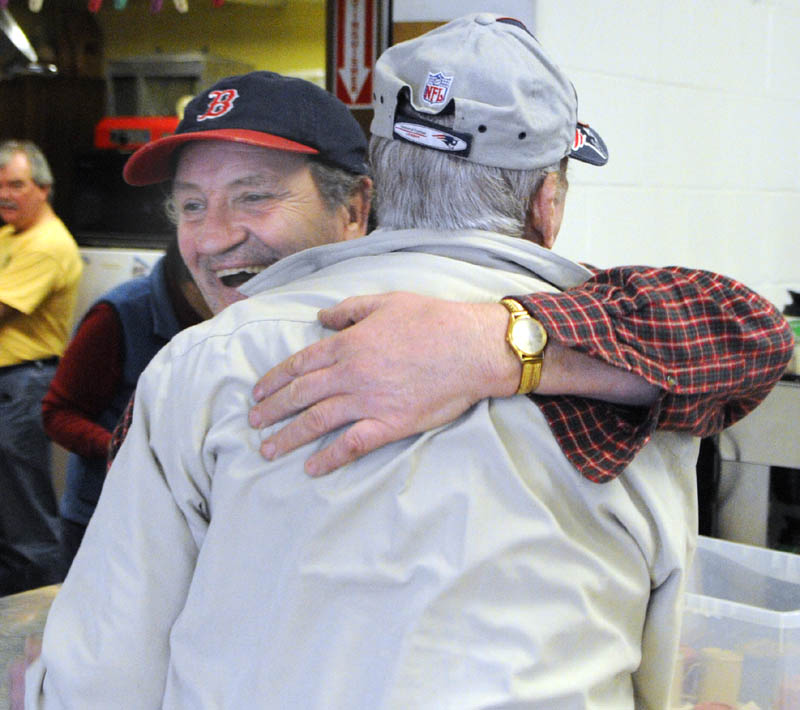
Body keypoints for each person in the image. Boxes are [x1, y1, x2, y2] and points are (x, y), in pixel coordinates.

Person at [22, 20, 792, 709]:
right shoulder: (632, 364)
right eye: (191, 205)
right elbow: (656, 649)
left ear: (374, 191)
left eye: (253, 196)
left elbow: (102, 673)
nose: (216, 236)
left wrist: (491, 347)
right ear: (547, 202)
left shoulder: (205, 365)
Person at [40, 239, 211, 567]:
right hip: (105, 514)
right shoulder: (119, 314)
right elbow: (58, 413)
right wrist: (125, 450)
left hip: (185, 518)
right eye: (212, 288)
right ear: (186, 283)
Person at [0, 140, 83, 596]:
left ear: (44, 188)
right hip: (9, 384)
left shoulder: (47, 245)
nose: (4, 194)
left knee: (25, 518)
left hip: (20, 385)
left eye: (16, 184)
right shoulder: (11, 236)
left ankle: (42, 617)